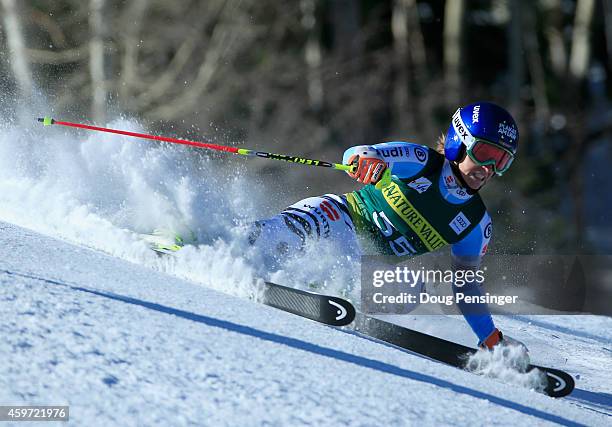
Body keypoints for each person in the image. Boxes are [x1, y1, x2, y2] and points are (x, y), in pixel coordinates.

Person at [247, 101, 520, 350]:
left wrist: (490, 337)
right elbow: (362, 152)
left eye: (501, 161)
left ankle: (322, 288)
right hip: (340, 220)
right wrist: (367, 161)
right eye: (484, 153)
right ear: (458, 142)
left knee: (414, 288)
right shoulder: (421, 162)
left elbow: (466, 285)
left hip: (364, 268)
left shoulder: (476, 223)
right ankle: (238, 246)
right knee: (310, 220)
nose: (489, 168)